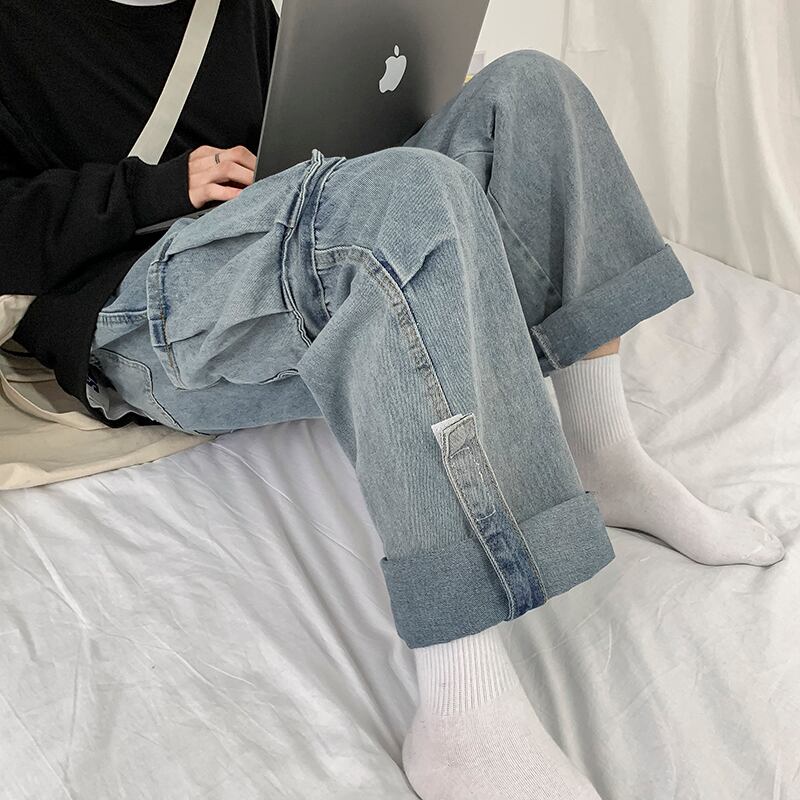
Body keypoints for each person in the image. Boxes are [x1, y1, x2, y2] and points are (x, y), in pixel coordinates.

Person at [0, 1, 785, 797]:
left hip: (267, 249)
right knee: (410, 198)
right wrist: (153, 190)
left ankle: (604, 448)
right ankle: (462, 706)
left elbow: (280, 141)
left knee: (531, 90)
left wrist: (391, 128)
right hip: (137, 311)